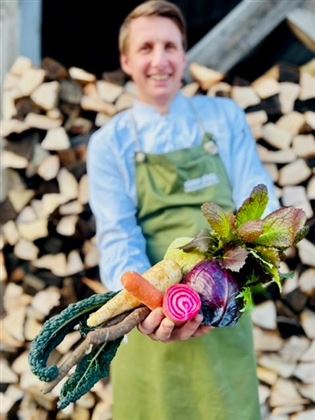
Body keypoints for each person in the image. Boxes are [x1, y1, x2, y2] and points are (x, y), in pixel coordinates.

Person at [87, 1, 279, 419]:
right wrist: (153, 304)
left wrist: (220, 283)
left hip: (222, 305)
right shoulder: (109, 144)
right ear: (126, 60)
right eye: (146, 48)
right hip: (151, 321)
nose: (160, 60)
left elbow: (261, 206)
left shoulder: (224, 118)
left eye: (170, 46)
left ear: (184, 54)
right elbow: (118, 237)